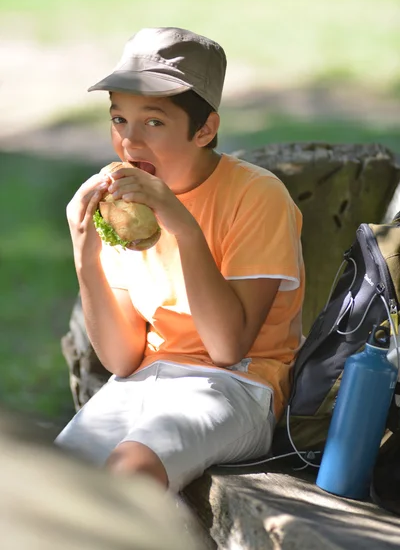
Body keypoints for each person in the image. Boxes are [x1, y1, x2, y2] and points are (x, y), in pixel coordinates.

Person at [55, 26, 305, 493]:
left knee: (129, 471)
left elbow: (228, 348)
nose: (130, 142)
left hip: (237, 387)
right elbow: (121, 360)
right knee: (57, 488)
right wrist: (85, 253)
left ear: (205, 128)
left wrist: (183, 226)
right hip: (146, 379)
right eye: (118, 120)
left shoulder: (257, 195)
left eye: (153, 122)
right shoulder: (124, 202)